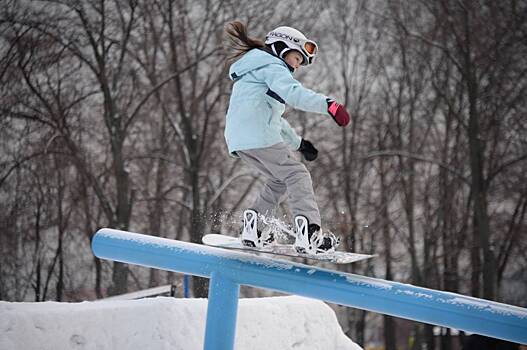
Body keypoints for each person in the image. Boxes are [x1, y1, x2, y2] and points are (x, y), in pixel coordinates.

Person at [223, 21, 351, 254]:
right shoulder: (273, 67)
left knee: (279, 179)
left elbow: (273, 119)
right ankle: (310, 233)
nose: (297, 66)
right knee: (297, 174)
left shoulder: (252, 72)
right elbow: (294, 94)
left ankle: (255, 228)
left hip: (240, 140)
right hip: (259, 135)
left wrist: (299, 143)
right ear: (282, 47)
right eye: (297, 58)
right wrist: (328, 105)